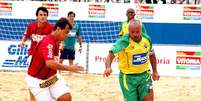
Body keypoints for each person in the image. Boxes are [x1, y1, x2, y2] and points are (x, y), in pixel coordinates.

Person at [26, 17, 84, 101]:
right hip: (38, 81)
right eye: (66, 32)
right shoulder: (48, 42)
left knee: (66, 97)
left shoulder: (57, 41)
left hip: (52, 77)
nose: (67, 35)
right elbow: (49, 63)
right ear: (58, 29)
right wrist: (70, 68)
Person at [104, 20, 160, 101]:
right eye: (132, 32)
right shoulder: (124, 41)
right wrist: (108, 67)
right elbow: (111, 54)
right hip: (128, 78)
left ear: (141, 30)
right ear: (128, 31)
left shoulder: (147, 39)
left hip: (145, 76)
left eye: (137, 32)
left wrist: (155, 71)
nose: (135, 34)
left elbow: (152, 54)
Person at [19, 6, 53, 101]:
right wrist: (22, 42)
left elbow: (55, 40)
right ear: (37, 16)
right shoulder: (31, 26)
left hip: (46, 58)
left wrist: (60, 45)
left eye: (45, 15)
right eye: (41, 15)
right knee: (31, 79)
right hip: (33, 56)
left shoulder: (51, 27)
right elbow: (25, 35)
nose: (43, 17)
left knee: (47, 79)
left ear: (47, 16)